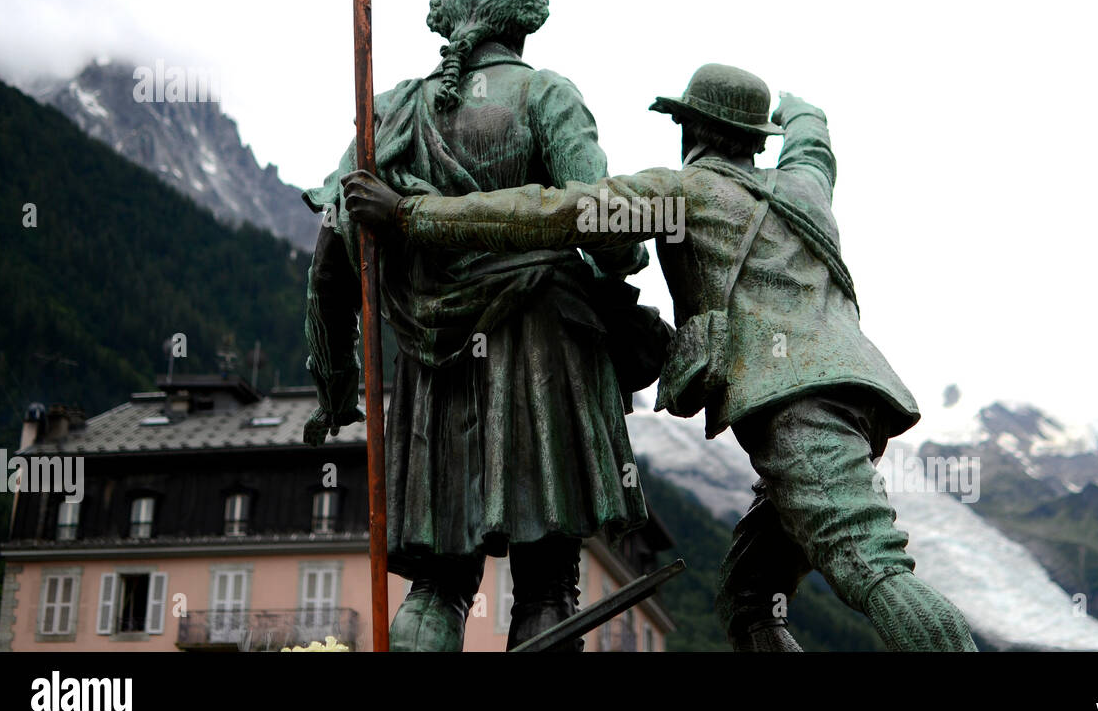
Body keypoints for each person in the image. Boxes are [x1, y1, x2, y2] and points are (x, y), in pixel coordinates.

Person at [343, 63, 978, 652]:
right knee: (751, 599)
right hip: (860, 395)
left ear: (691, 128)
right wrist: (796, 109)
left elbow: (556, 211)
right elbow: (815, 140)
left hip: (795, 408)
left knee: (872, 568)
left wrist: (412, 216)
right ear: (754, 138)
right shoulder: (807, 188)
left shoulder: (683, 197)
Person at [302, 0, 649, 651]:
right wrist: (627, 258)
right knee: (549, 585)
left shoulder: (394, 112)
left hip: (436, 369)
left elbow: (332, 249)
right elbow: (603, 221)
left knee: (437, 588)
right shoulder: (547, 95)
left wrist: (337, 380)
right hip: (542, 347)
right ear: (518, 29)